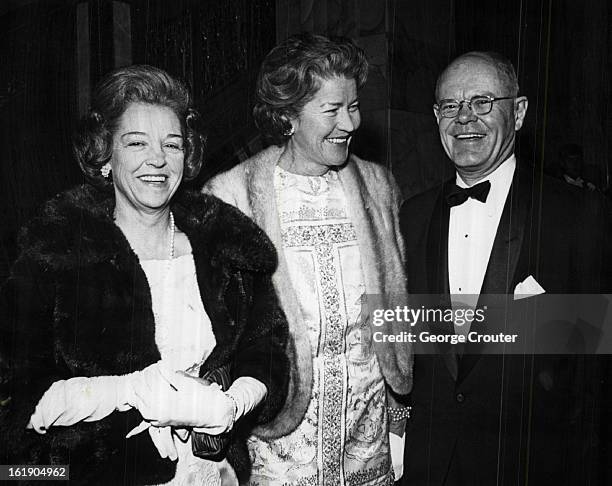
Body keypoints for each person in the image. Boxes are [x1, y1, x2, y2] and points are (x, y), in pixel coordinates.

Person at [0, 65, 288, 485]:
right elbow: (13, 396)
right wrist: (128, 391)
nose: (158, 159)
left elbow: (267, 349)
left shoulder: (224, 246)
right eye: (137, 143)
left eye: (172, 144)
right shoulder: (56, 255)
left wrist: (235, 404)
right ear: (103, 154)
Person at [204, 33, 412, 485]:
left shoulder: (379, 188)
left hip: (367, 440)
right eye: (332, 110)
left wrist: (401, 412)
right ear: (286, 116)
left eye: (353, 106)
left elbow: (397, 309)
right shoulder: (232, 197)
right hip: (278, 443)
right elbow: (217, 328)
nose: (350, 123)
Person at [399, 51, 612, 485]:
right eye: (450, 106)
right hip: (430, 466)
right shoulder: (411, 216)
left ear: (517, 112)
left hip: (533, 466)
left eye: (481, 102)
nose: (464, 119)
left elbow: (594, 372)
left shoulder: (579, 214)